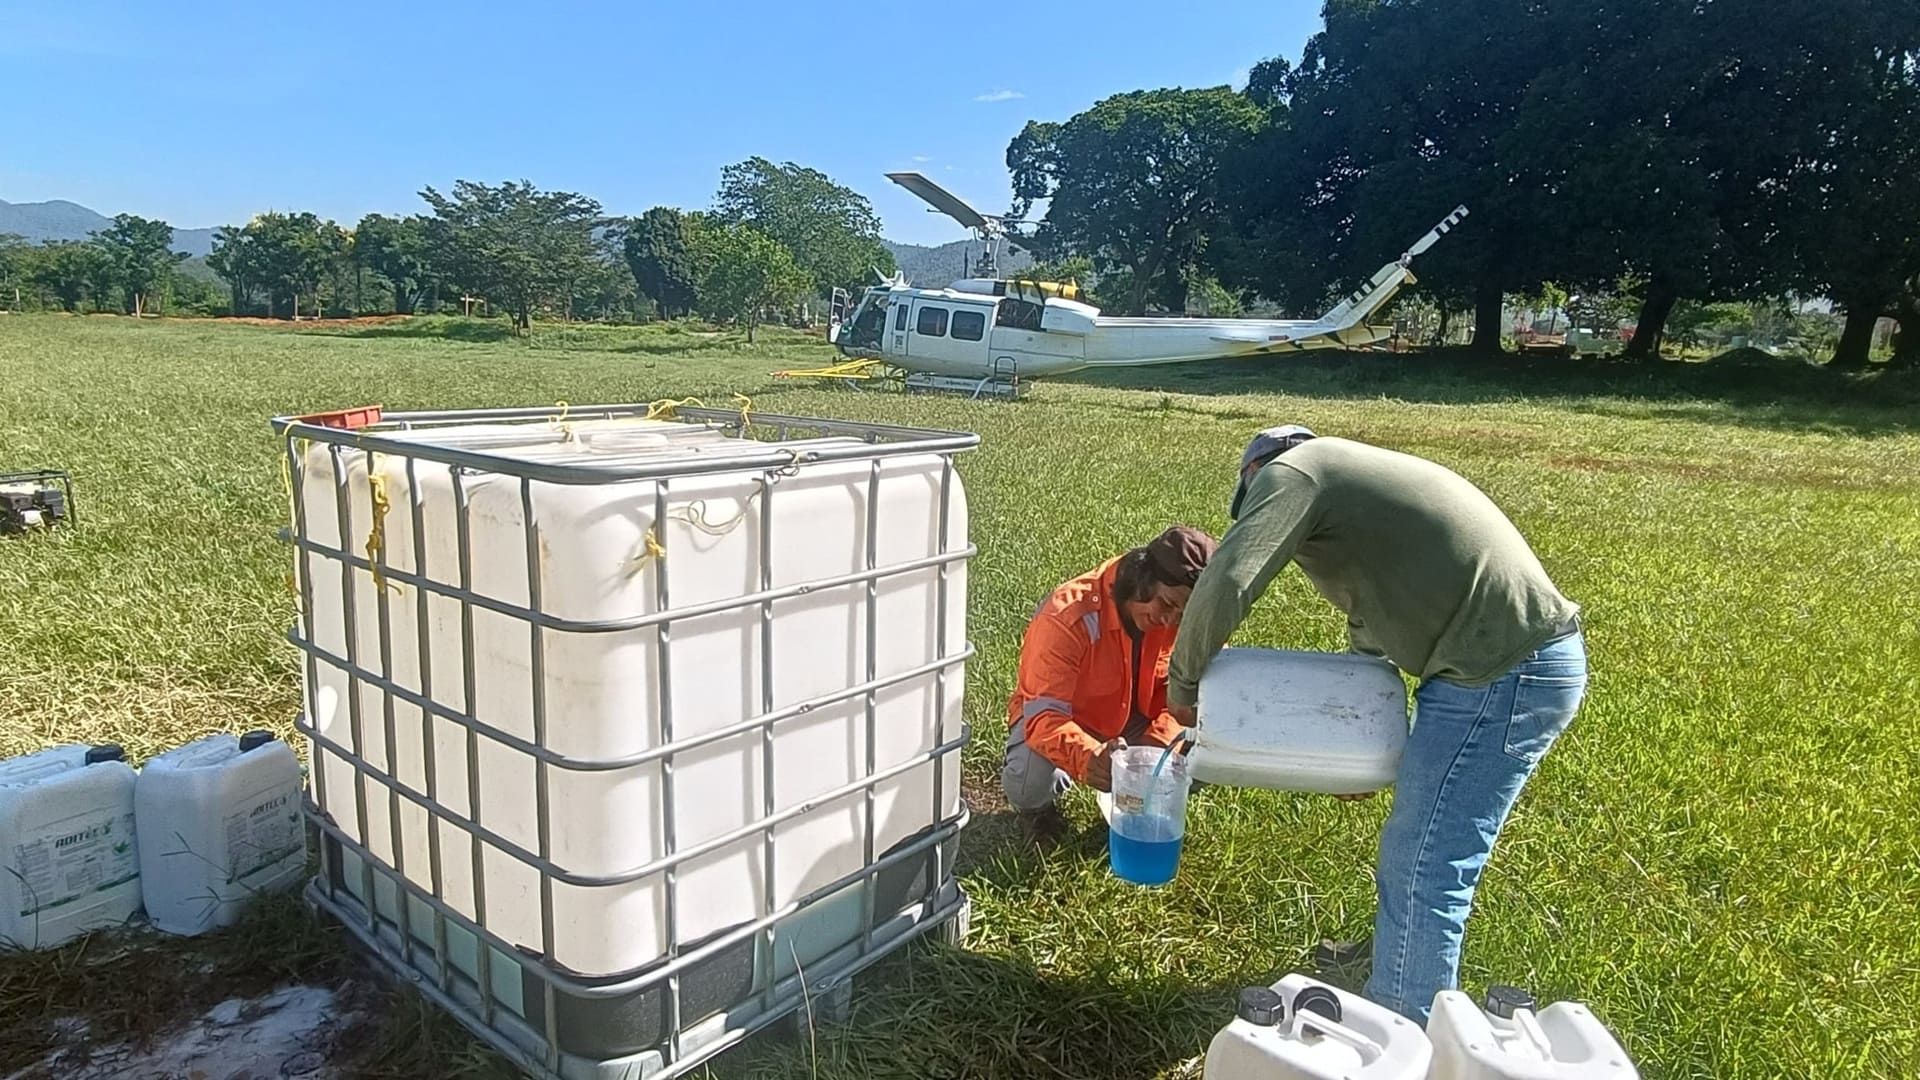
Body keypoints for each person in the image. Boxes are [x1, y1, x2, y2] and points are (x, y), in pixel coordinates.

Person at [1165, 424, 1587, 1024]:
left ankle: (1403, 1024)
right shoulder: (1351, 485)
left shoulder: (1295, 473)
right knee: (1420, 850)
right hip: (1495, 667)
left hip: (1503, 672)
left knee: (1427, 863)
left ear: (1255, 477)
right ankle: (1398, 962)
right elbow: (1372, 623)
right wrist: (1356, 744)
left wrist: (1182, 687)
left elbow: (1229, 578)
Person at [1002, 525, 1217, 813]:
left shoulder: (1188, 620)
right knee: (1028, 783)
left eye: (1183, 616)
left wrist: (1155, 747)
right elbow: (1043, 715)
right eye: (1166, 604)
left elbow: (1198, 696)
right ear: (1141, 578)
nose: (1169, 622)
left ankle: (1147, 801)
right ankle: (1047, 805)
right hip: (1070, 719)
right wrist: (1089, 757)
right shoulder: (1066, 616)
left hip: (1140, 720)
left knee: (1212, 747)